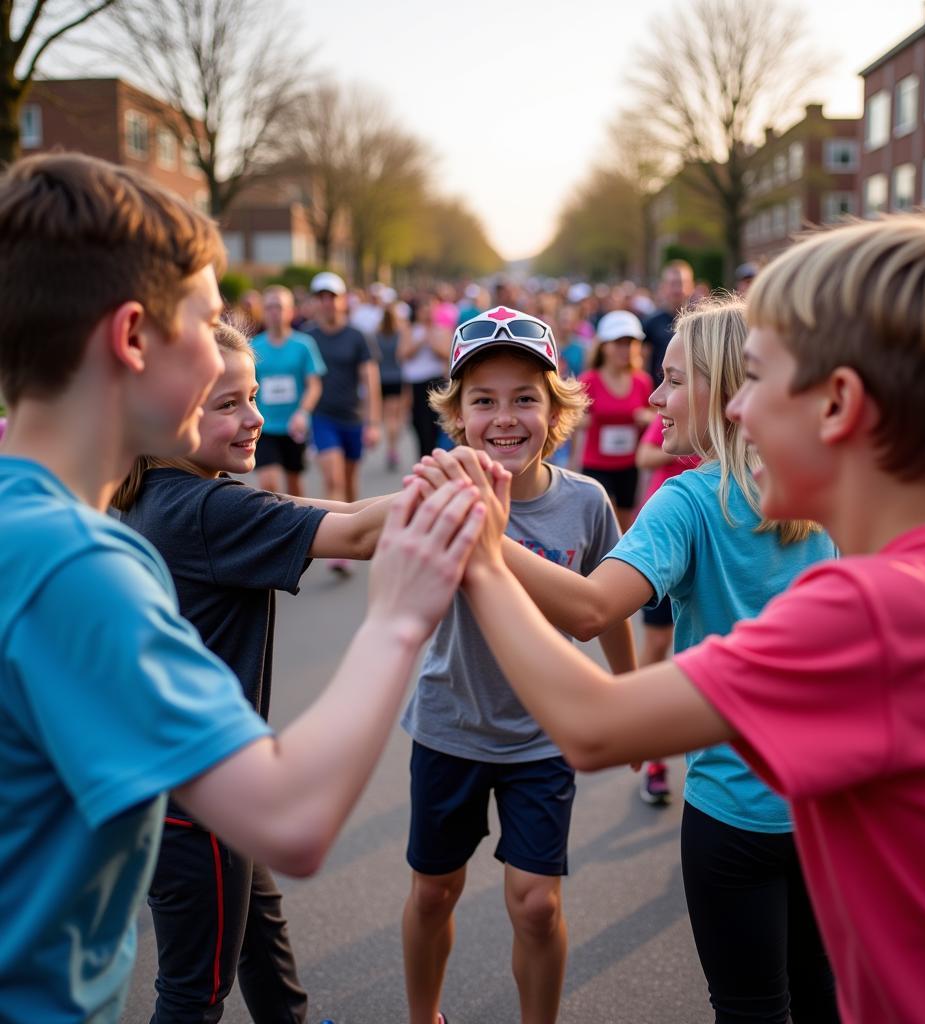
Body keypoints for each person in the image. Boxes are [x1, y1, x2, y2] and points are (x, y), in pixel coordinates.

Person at [426, 203, 925, 1023]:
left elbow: (593, 726)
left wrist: (486, 553)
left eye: (760, 377)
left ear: (838, 404)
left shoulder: (862, 612)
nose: (738, 411)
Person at [0, 151, 485, 1024]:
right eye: (210, 318)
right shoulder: (84, 569)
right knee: (194, 990)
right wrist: (398, 619)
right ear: (135, 338)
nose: (236, 346)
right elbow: (291, 819)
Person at [416, 300, 840, 1023]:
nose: (653, 396)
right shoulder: (836, 482)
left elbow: (589, 609)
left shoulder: (684, 503)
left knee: (752, 1010)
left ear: (726, 387)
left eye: (672, 381)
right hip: (836, 810)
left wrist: (489, 543)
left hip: (734, 810)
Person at [112, 321, 396, 1023]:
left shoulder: (167, 495)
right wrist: (476, 473)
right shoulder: (210, 508)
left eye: (253, 397)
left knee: (256, 933)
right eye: (228, 403)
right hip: (196, 799)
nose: (255, 417)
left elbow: (346, 512)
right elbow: (361, 533)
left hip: (190, 783)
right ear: (170, 413)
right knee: (192, 993)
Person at [400, 307, 636, 1024]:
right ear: (457, 413)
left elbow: (608, 607)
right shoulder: (438, 496)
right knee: (435, 891)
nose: (505, 418)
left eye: (525, 398)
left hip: (542, 735)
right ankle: (423, 1017)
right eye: (484, 401)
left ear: (555, 408)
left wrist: (627, 704)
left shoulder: (587, 503)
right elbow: (384, 580)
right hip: (450, 728)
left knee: (536, 904)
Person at [632, 414, 699, 807]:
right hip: (665, 541)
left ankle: (706, 766)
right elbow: (643, 456)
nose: (657, 395)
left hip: (709, 534)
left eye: (674, 379)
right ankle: (653, 754)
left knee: (701, 658)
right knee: (657, 646)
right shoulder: (670, 416)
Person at [305, 271, 382, 505]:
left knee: (348, 483)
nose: (327, 303)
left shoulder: (358, 336)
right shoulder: (307, 337)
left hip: (353, 417)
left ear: (343, 300)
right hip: (322, 416)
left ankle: (351, 530)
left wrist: (373, 423)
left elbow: (370, 381)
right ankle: (334, 536)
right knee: (333, 481)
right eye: (321, 297)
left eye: (332, 297)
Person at [577, 309, 653, 531]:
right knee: (602, 521)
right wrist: (588, 419)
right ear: (604, 346)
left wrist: (645, 418)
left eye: (630, 343)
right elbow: (572, 420)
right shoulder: (588, 380)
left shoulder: (642, 382)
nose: (626, 349)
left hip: (629, 465)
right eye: (619, 343)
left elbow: (654, 419)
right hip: (596, 465)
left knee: (624, 522)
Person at [252, 285, 325, 497]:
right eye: (270, 307)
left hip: (294, 426)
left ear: (291, 311)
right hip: (265, 426)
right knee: (268, 483)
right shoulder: (253, 346)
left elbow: (314, 384)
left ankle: (297, 525)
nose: (275, 312)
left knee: (294, 487)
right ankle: (272, 526)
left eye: (280, 307)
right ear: (263, 312)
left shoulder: (304, 345)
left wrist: (303, 412)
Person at [399, 294, 448, 458]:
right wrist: (421, 341)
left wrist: (432, 341)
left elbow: (448, 355)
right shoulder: (410, 331)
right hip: (416, 384)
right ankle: (423, 459)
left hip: (437, 382)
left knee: (436, 425)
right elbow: (403, 355)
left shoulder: (443, 331)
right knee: (419, 424)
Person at [372, 297, 409, 471]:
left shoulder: (376, 334)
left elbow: (375, 357)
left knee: (387, 417)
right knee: (396, 416)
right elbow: (402, 355)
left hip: (381, 377)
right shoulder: (400, 332)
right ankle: (393, 448)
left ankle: (390, 448)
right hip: (396, 377)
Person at [642, 260, 694, 384]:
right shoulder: (651, 323)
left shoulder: (701, 322)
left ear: (691, 286)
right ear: (663, 287)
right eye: (673, 284)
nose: (677, 289)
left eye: (681, 283)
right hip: (659, 392)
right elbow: (643, 362)